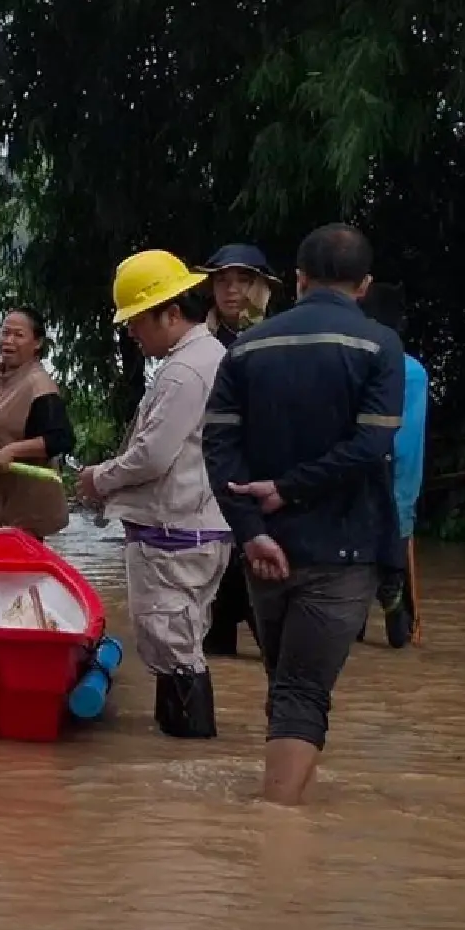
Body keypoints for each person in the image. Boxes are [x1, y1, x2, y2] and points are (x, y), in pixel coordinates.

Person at [203, 223, 405, 806]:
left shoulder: (246, 348)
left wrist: (252, 529)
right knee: (301, 689)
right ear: (363, 285)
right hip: (343, 548)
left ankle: (278, 809)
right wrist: (288, 490)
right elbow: (372, 447)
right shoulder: (379, 346)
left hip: (266, 549)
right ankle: (278, 831)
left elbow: (218, 448)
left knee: (286, 683)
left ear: (296, 279)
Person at [76, 251, 232, 738]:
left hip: (177, 530)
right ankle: (177, 771)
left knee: (177, 652)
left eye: (136, 322)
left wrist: (99, 479)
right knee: (177, 647)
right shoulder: (202, 360)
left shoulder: (186, 372)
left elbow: (151, 456)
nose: (131, 333)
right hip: (191, 526)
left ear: (169, 312)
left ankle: (188, 756)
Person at [195, 243, 284, 658]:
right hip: (207, 492)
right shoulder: (196, 344)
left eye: (242, 281)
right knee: (211, 639)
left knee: (277, 634)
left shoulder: (284, 340)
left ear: (263, 287)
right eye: (222, 281)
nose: (231, 291)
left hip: (265, 491)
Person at [0, 306, 74, 538]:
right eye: (4, 333)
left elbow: (61, 439)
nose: (8, 340)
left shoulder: (39, 386)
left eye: (18, 335)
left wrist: (13, 450)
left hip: (22, 514)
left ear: (37, 343)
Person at [362, 282, 428, 648]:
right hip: (403, 479)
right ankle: (401, 632)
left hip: (374, 475)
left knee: (359, 568)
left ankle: (386, 622)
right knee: (395, 561)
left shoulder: (365, 359)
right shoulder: (414, 370)